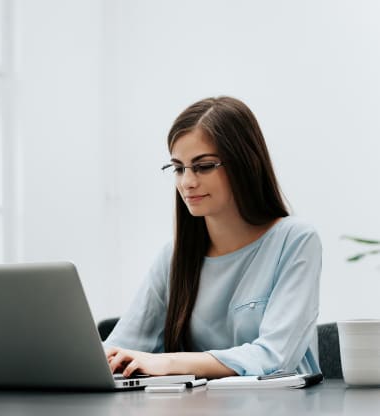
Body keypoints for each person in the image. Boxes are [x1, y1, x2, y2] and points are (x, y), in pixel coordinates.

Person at [104, 96, 322, 379]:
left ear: (245, 163)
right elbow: (120, 349)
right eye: (178, 168)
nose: (187, 182)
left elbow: (274, 356)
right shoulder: (173, 256)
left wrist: (168, 363)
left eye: (204, 166)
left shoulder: (295, 240)